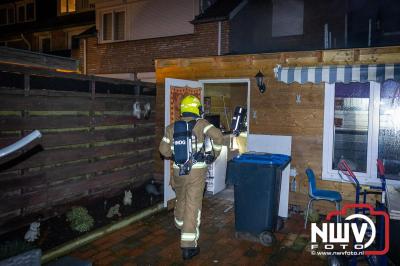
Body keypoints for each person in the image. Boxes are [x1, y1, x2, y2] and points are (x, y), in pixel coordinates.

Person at [159, 95, 223, 260]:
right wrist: (213, 155)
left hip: (178, 172)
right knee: (193, 206)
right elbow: (218, 136)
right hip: (196, 172)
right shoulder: (202, 124)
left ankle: (179, 224)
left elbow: (163, 150)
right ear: (197, 109)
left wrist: (176, 155)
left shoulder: (171, 127)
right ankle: (188, 246)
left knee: (181, 199)